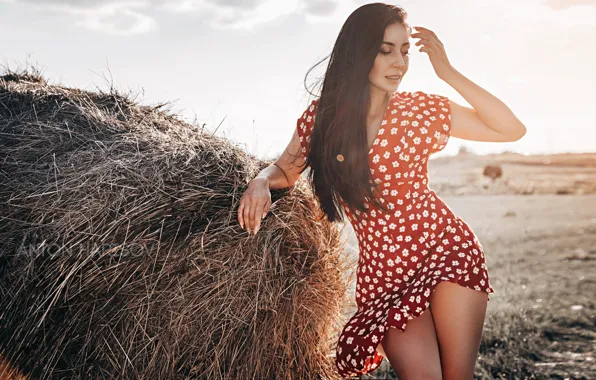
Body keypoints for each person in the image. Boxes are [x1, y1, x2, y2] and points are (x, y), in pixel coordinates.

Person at [237, 3, 526, 379]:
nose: (399, 63)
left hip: (447, 252)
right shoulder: (322, 118)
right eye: (385, 49)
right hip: (385, 277)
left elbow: (510, 129)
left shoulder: (418, 110)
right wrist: (260, 180)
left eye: (405, 50)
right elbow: (285, 171)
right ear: (359, 52)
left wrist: (448, 72)